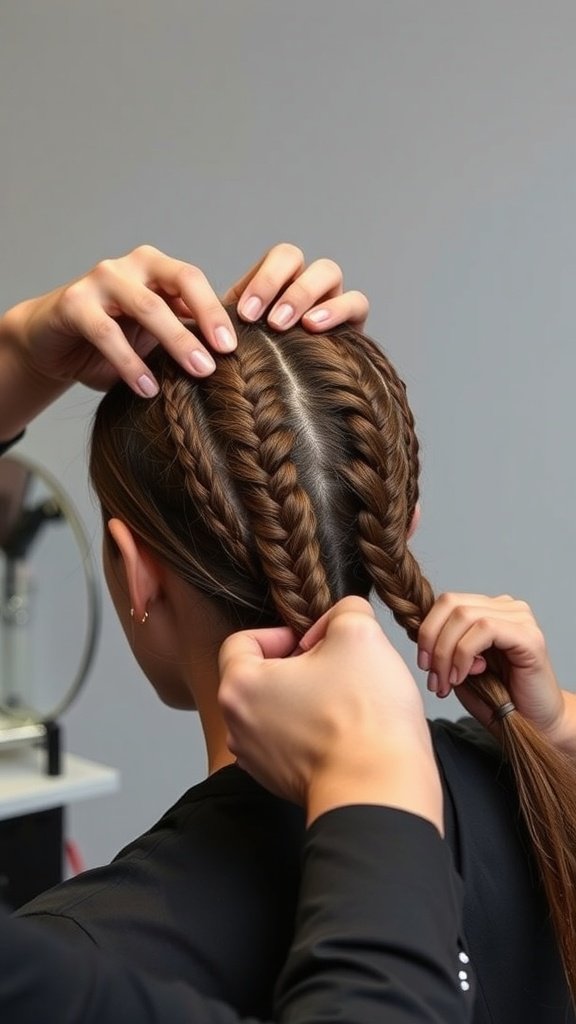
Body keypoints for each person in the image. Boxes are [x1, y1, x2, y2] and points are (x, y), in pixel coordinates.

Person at [6, 244, 576, 1022]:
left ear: (134, 574)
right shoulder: (533, 788)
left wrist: (14, 357)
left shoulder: (82, 959)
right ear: (397, 534)